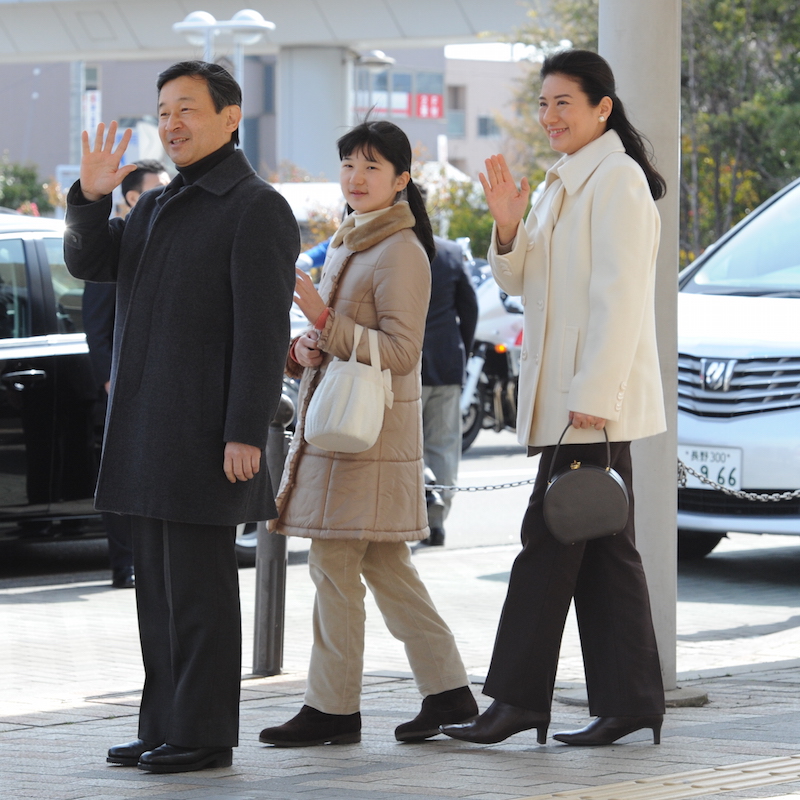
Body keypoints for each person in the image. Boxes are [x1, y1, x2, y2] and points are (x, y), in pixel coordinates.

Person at [63, 61, 298, 773]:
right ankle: (163, 721)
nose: (171, 123)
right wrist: (88, 199)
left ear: (231, 118)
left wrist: (243, 429)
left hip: (204, 436)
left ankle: (202, 733)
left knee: (199, 594)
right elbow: (88, 263)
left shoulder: (256, 206)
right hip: (146, 434)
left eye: (187, 109)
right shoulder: (160, 204)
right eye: (164, 111)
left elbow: (262, 331)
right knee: (158, 594)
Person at [441, 49, 667, 748]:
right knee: (603, 552)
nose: (549, 117)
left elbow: (620, 300)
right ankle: (632, 702)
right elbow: (520, 282)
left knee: (545, 542)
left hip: (589, 401)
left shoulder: (618, 181)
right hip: (569, 398)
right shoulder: (560, 183)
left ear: (603, 107)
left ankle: (515, 700)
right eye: (543, 104)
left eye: (564, 102)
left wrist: (596, 396)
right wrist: (507, 225)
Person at [258, 119, 478, 748]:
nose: (355, 178)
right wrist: (304, 345)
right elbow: (335, 340)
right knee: (386, 567)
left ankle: (333, 709)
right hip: (349, 433)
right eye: (349, 165)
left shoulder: (400, 251)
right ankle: (450, 693)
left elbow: (404, 351)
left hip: (367, 438)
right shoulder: (351, 240)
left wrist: (323, 320)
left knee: (333, 564)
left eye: (371, 167)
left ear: (402, 179)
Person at [82, 159, 169, 590]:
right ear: (135, 197)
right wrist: (111, 381)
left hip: (152, 387)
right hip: (119, 389)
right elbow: (97, 327)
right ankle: (125, 565)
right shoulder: (113, 242)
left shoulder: (160, 240)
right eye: (158, 188)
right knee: (118, 479)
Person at [417, 232, 477, 546]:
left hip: (401, 364)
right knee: (444, 445)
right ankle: (437, 521)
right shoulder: (452, 252)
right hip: (446, 360)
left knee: (405, 446)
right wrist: (461, 351)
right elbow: (470, 309)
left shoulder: (392, 245)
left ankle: (418, 504)